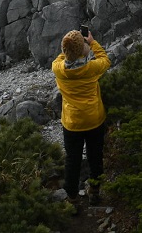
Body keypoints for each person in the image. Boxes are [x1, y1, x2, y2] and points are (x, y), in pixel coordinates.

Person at [52, 27, 111, 211]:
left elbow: (60, 58)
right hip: (94, 119)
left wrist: (69, 47)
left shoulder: (59, 70)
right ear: (82, 50)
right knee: (95, 156)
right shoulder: (91, 68)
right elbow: (105, 60)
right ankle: (94, 191)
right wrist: (91, 42)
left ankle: (72, 199)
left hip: (72, 123)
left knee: (72, 159)